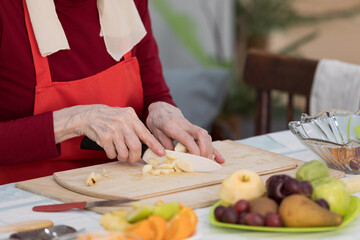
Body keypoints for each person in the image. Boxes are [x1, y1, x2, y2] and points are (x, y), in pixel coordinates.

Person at [0, 0, 224, 184]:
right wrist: (74, 120)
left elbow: (153, 92)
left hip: (121, 187)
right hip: (23, 197)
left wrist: (162, 110)